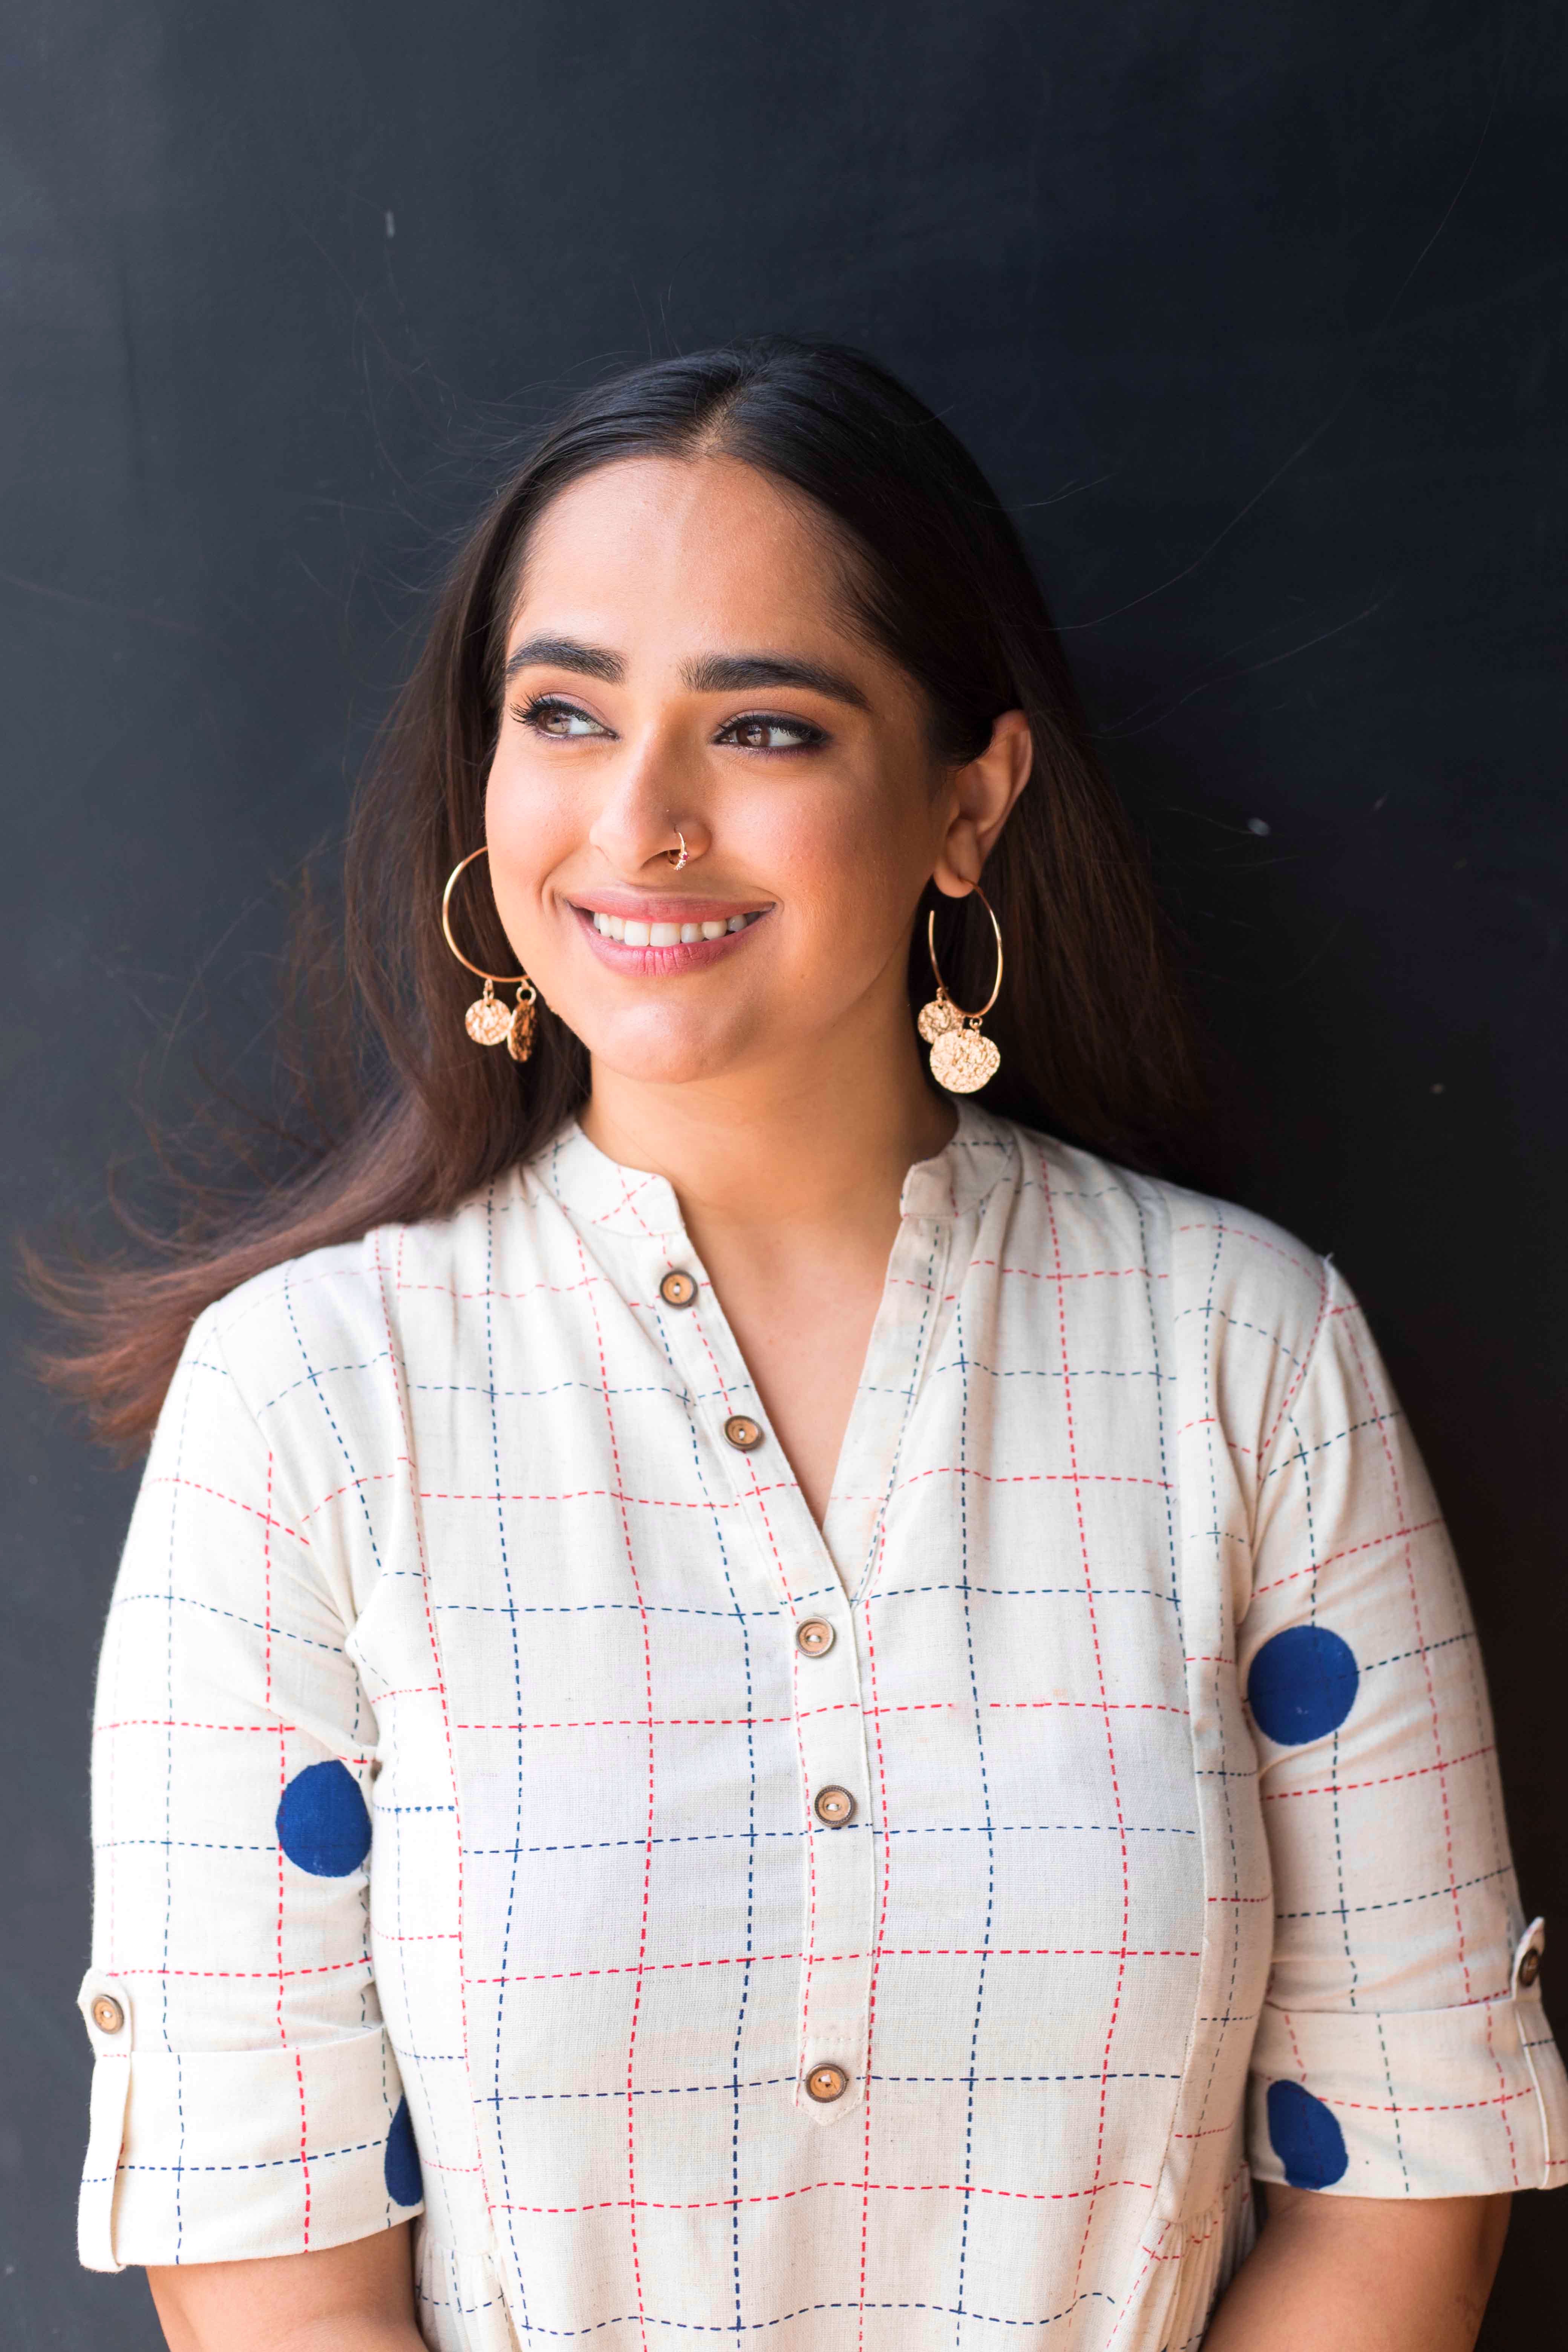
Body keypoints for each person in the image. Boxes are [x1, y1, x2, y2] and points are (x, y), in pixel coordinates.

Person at [45, 340, 1563, 2351]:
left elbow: (1408, 2181)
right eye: (565, 714)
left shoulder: (1247, 1361)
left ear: (967, 800)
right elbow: (261, 2259)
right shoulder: (306, 1405)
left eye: (759, 729)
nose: (640, 819)